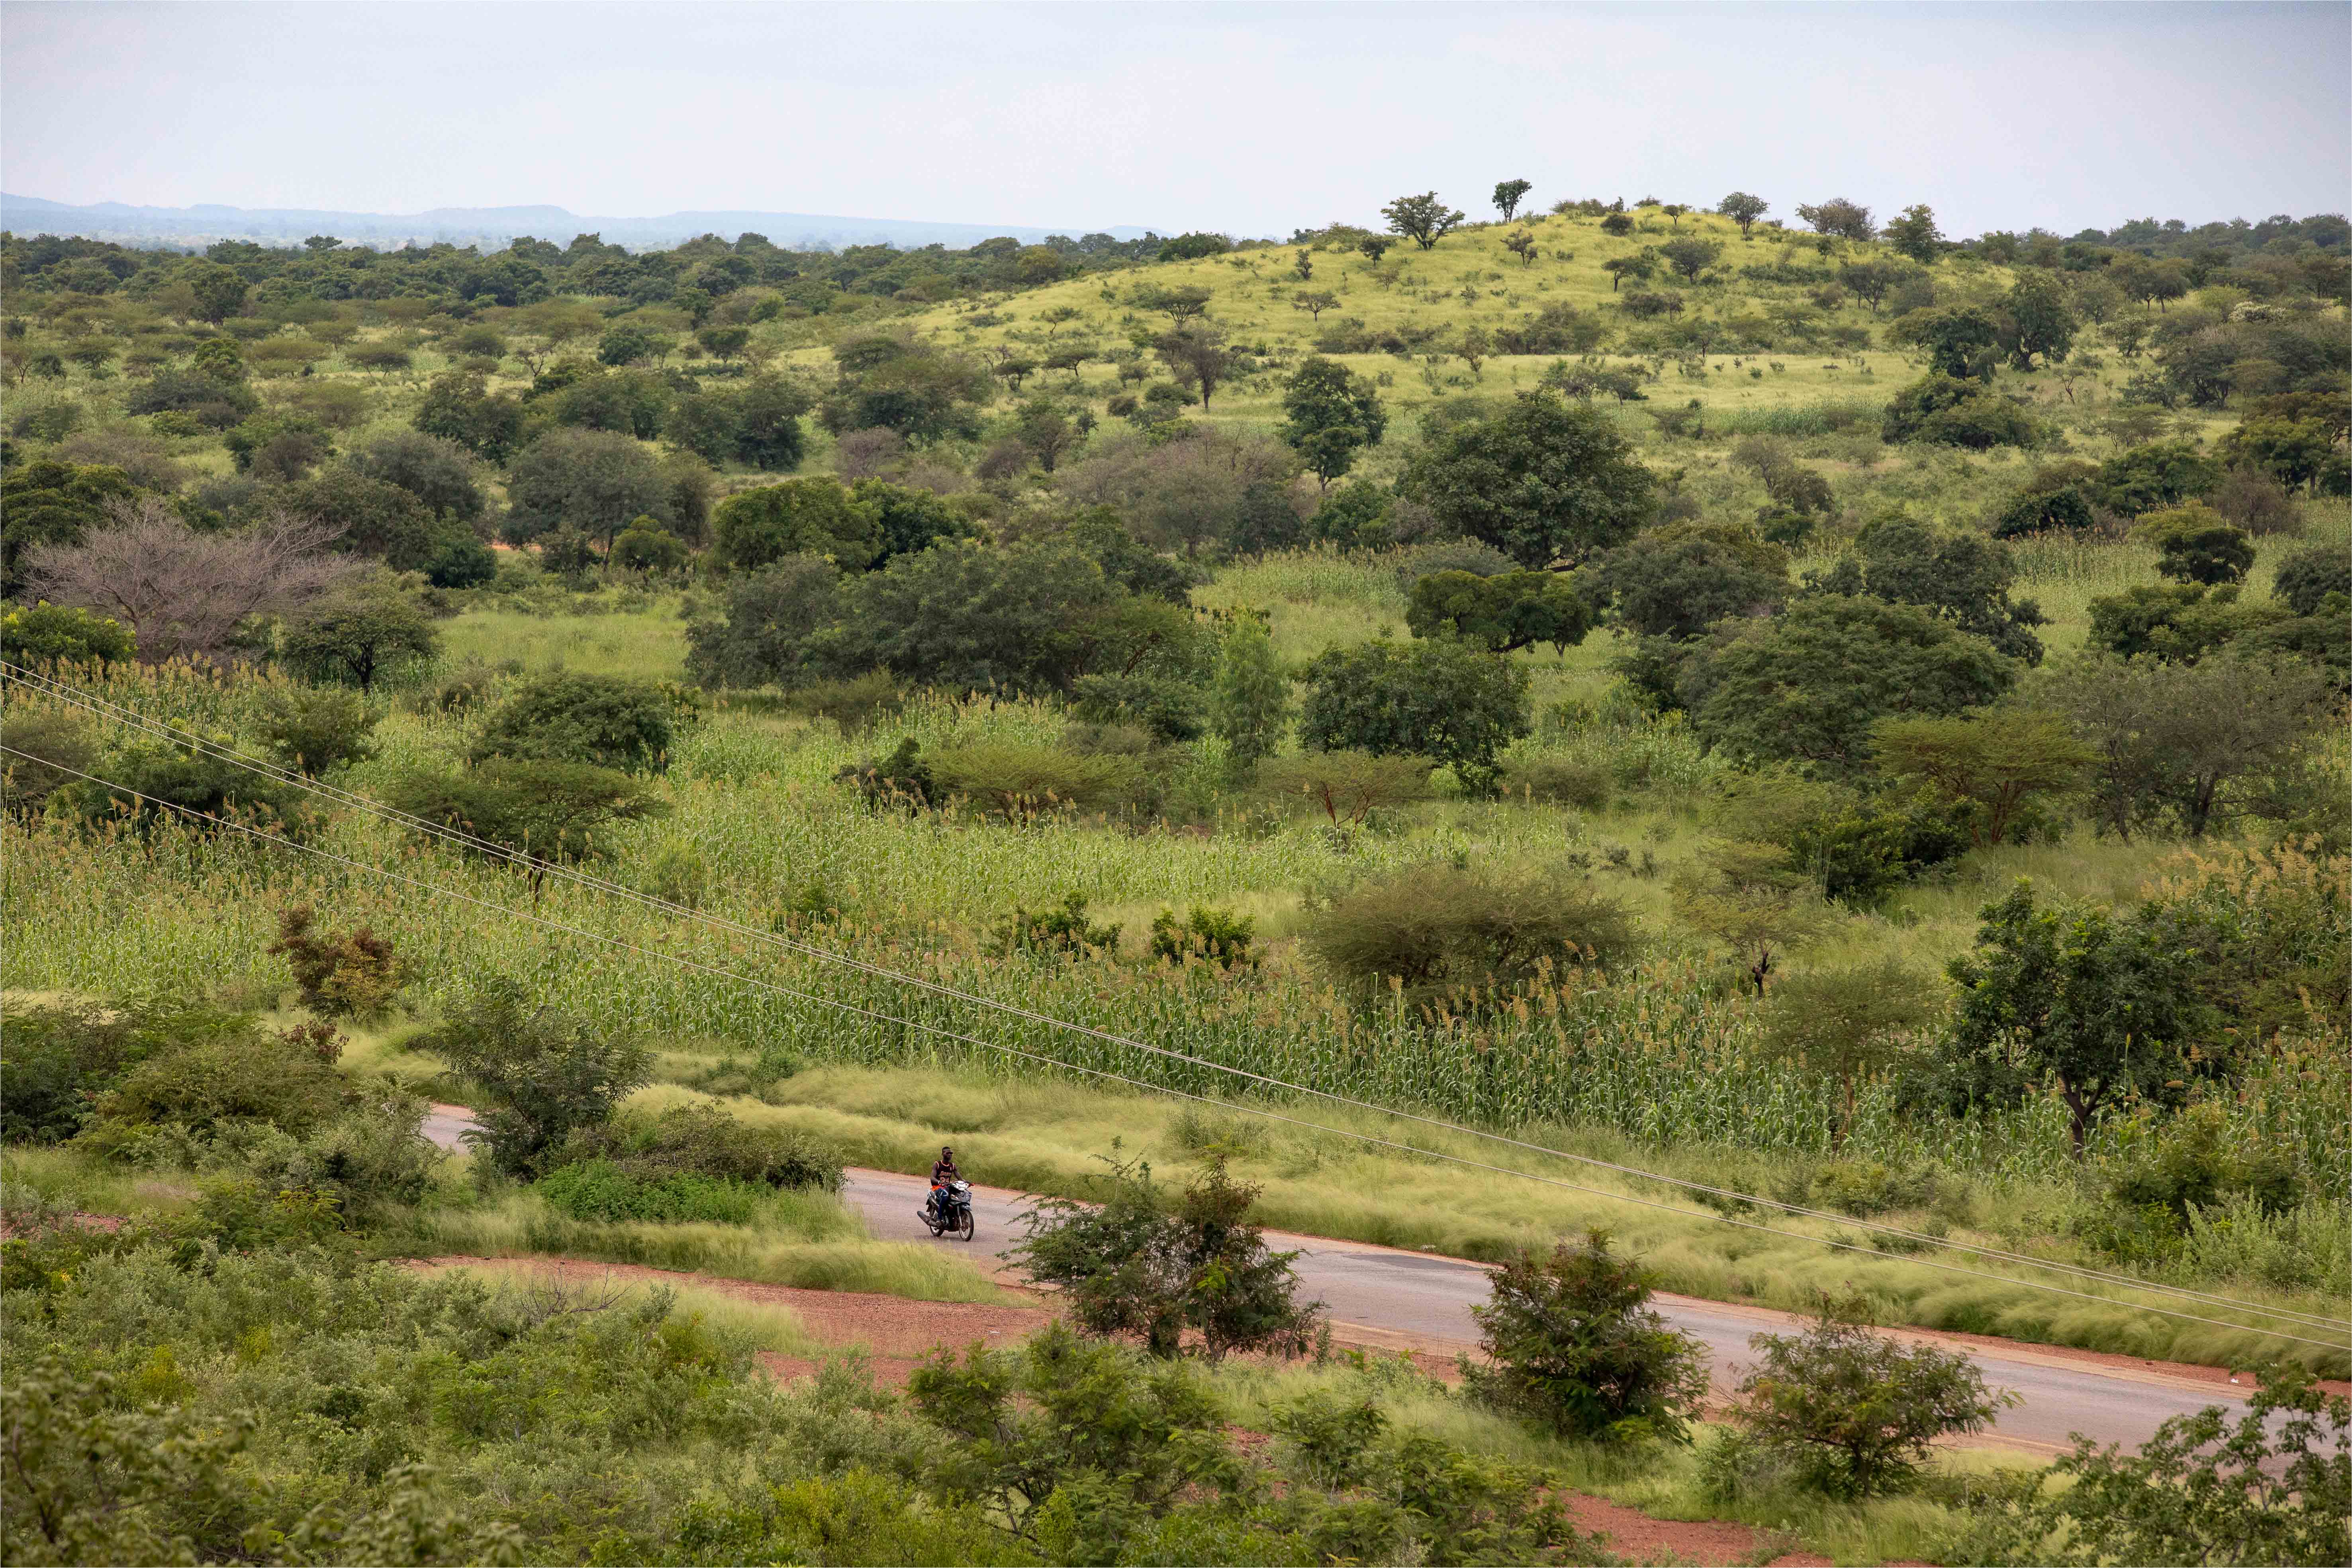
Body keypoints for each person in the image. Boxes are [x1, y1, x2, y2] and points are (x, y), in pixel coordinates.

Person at [925, 1145, 962, 1224]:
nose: (950, 1155)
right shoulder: (937, 1164)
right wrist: (939, 1182)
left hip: (948, 1187)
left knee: (962, 1195)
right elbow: (932, 1178)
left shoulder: (953, 1166)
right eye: (948, 1153)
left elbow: (959, 1176)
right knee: (945, 1196)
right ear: (943, 1154)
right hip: (938, 1188)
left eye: (951, 1153)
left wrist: (966, 1182)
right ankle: (939, 1217)